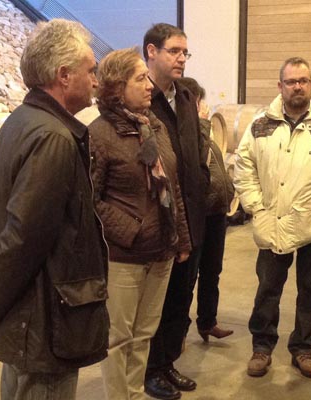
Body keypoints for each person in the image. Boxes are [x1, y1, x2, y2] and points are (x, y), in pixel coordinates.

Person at [0, 19, 109, 400]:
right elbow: (21, 237)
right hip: (44, 324)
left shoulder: (19, 122)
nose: (95, 81)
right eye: (90, 70)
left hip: (26, 320)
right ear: (64, 75)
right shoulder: (53, 138)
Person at [233, 56, 311, 379]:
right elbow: (244, 166)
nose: (297, 86)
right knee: (268, 289)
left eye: (303, 81)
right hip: (271, 221)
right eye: (291, 81)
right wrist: (256, 206)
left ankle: (302, 348)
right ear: (280, 86)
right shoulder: (261, 124)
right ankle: (262, 346)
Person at [88, 48, 192, 400]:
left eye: (147, 78)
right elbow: (89, 199)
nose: (149, 85)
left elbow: (172, 186)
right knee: (119, 338)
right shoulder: (99, 134)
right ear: (117, 87)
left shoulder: (154, 126)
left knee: (145, 333)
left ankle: (134, 394)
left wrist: (181, 238)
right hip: (124, 255)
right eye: (140, 79)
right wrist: (130, 230)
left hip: (162, 250)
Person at [142, 23, 210, 400]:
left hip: (191, 216)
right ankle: (150, 369)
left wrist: (201, 182)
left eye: (185, 52)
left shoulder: (184, 95)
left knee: (182, 296)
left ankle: (167, 362)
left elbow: (196, 150)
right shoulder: (140, 96)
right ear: (151, 51)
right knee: (158, 299)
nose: (182, 58)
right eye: (174, 51)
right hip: (160, 219)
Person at [176, 76, 235, 343]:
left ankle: (207, 322)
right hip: (197, 215)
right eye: (199, 100)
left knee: (212, 271)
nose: (203, 106)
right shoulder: (188, 130)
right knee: (188, 277)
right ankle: (179, 331)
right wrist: (200, 122)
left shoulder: (206, 132)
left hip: (216, 213)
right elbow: (195, 158)